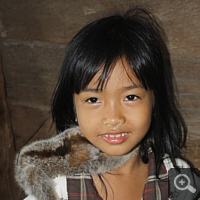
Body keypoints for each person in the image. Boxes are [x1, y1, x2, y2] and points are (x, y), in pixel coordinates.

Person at [15, 7, 200, 200]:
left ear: (155, 102)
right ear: (74, 109)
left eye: (130, 97)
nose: (113, 118)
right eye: (93, 99)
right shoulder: (55, 188)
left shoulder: (178, 179)